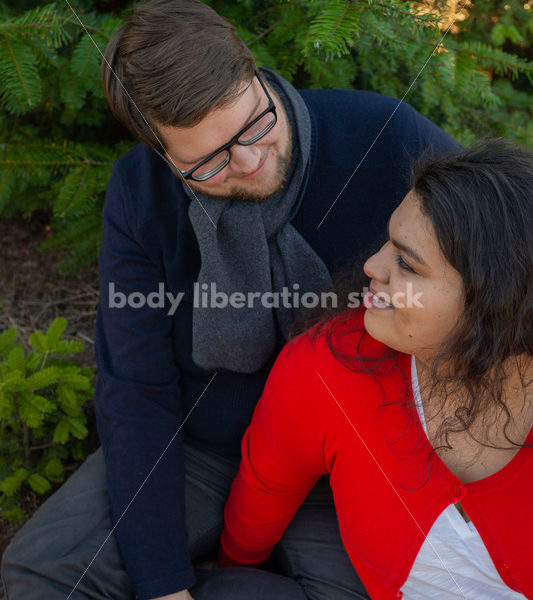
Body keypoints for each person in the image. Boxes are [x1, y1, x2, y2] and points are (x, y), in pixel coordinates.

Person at [0, 1, 460, 599]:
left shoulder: (385, 134)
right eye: (208, 162)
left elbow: (497, 250)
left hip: (354, 447)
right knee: (41, 574)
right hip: (204, 450)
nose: (247, 162)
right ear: (165, 158)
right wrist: (163, 584)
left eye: (254, 126)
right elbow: (136, 389)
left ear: (256, 74)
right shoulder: (140, 196)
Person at [219, 140, 533, 600]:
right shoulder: (328, 369)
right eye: (389, 242)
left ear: (497, 307)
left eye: (407, 264)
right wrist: (232, 572)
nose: (371, 265)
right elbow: (263, 493)